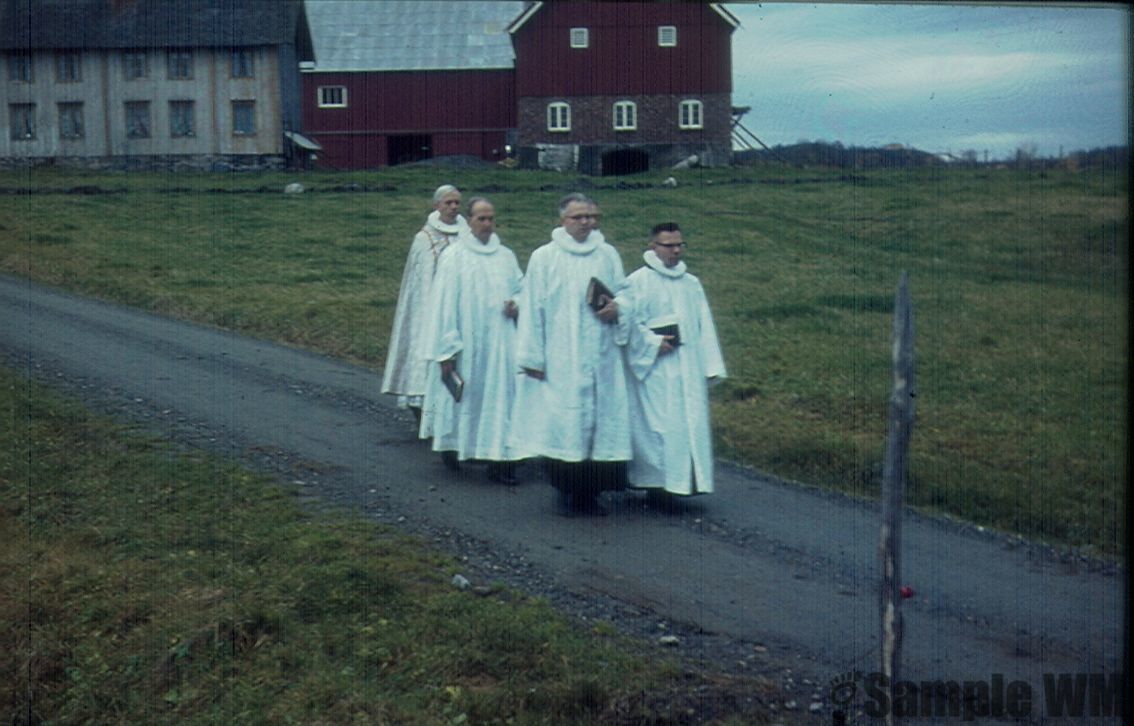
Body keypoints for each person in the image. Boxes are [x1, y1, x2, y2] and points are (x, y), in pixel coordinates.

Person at [509, 193, 631, 514]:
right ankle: (567, 492)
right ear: (563, 220)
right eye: (579, 217)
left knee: (600, 425)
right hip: (562, 355)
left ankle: (591, 493)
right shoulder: (545, 257)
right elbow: (532, 308)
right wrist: (532, 357)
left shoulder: (607, 254)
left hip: (602, 354)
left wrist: (620, 309)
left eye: (592, 216)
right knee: (565, 424)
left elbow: (626, 294)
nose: (587, 223)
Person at [618, 222, 726, 500]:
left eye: (680, 245)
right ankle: (657, 485)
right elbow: (628, 324)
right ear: (653, 246)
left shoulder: (691, 283)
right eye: (669, 245)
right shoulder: (638, 281)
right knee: (659, 428)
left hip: (687, 367)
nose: (676, 250)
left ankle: (685, 483)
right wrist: (653, 344)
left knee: (688, 425)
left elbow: (704, 325)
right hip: (656, 369)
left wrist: (710, 366)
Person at [419, 197, 523, 484]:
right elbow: (443, 305)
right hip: (466, 343)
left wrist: (517, 303)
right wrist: (446, 351)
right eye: (481, 219)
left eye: (491, 219)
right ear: (470, 220)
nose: (487, 224)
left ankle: (499, 460)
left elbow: (521, 287)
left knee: (502, 400)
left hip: (500, 343)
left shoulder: (506, 256)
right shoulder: (455, 257)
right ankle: (455, 447)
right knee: (465, 398)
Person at [381, 185, 466, 424]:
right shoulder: (424, 238)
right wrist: (432, 311)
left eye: (457, 203)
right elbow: (421, 283)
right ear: (436, 205)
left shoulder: (466, 234)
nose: (453, 207)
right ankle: (425, 412)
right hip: (430, 308)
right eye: (448, 203)